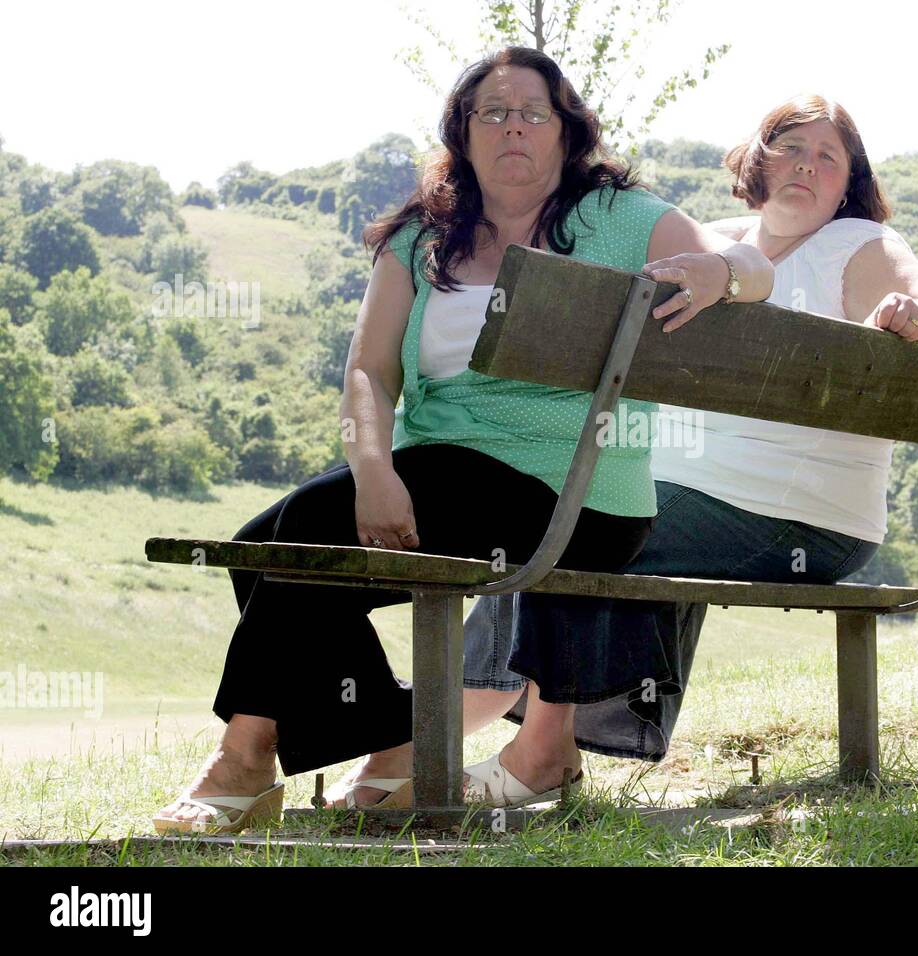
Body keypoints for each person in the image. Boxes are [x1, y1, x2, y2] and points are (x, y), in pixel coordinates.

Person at [151, 45, 773, 833]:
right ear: (464, 131)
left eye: (533, 113)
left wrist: (728, 274)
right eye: (493, 112)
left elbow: (751, 266)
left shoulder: (624, 220)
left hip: (576, 492)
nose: (514, 127)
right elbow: (368, 374)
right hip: (439, 476)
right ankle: (402, 738)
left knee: (303, 534)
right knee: (260, 545)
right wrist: (372, 468)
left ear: (564, 132)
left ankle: (242, 766)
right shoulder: (420, 237)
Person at [455, 94, 918, 804]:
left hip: (801, 514)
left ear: (848, 180)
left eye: (828, 156)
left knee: (588, 527)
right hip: (689, 494)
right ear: (758, 161)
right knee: (556, 518)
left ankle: (528, 755)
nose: (807, 165)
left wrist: (917, 316)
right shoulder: (713, 242)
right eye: (791, 147)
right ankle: (414, 750)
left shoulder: (860, 245)